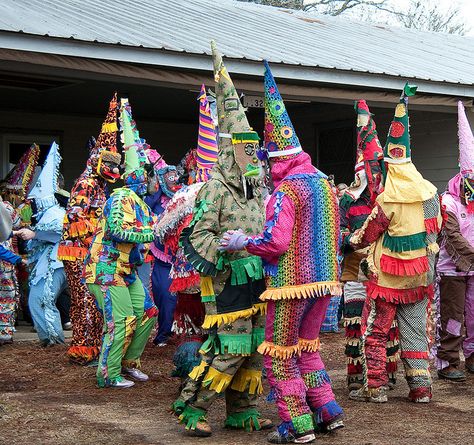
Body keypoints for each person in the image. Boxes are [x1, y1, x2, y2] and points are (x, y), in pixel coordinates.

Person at [220, 60, 344, 444]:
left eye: (268, 160)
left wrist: (242, 242)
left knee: (279, 354)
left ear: (276, 159)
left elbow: (276, 242)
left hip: (291, 286)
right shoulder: (325, 185)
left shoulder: (286, 190)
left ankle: (297, 424)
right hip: (325, 284)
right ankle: (326, 411)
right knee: (307, 349)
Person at [172, 42, 270, 437]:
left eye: (254, 148)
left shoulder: (260, 190)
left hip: (258, 281)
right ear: (229, 151)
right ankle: (192, 408)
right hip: (226, 282)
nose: (253, 156)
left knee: (254, 351)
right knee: (229, 349)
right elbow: (196, 234)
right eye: (244, 149)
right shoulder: (215, 188)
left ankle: (241, 411)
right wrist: (229, 253)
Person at [348, 84, 443, 404]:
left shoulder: (389, 197)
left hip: (388, 278)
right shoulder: (430, 194)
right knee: (415, 332)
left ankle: (375, 388)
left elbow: (369, 232)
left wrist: (350, 241)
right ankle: (421, 389)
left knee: (375, 330)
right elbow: (435, 234)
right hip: (420, 277)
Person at [83, 98, 157, 388]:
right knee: (122, 320)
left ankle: (128, 362)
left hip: (126, 272)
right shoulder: (121, 197)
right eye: (149, 175)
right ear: (140, 178)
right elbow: (117, 231)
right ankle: (108, 374)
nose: (152, 180)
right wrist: (150, 233)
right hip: (105, 269)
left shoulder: (141, 203)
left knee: (147, 312)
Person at [155, 84, 218, 378]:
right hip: (216, 273)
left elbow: (161, 233)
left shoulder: (181, 197)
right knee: (217, 323)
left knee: (192, 325)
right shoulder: (226, 194)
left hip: (188, 274)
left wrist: (178, 250)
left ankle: (190, 377)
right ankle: (215, 373)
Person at [339, 100, 399, 390]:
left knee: (385, 323)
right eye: (370, 168)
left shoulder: (390, 197)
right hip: (355, 270)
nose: (375, 175)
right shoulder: (347, 201)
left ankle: (384, 372)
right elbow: (338, 234)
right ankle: (356, 373)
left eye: (378, 168)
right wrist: (351, 241)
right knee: (355, 321)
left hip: (385, 272)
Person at [58, 94, 121, 365]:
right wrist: (103, 230)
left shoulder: (99, 185)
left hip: (91, 253)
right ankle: (83, 350)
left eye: (115, 164)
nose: (113, 169)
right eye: (109, 164)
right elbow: (74, 220)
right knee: (85, 302)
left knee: (94, 303)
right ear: (97, 161)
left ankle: (93, 347)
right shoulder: (85, 184)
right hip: (79, 253)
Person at [435, 101, 474, 380]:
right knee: (452, 316)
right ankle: (448, 361)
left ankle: (472, 357)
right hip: (453, 270)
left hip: (473, 269)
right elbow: (452, 235)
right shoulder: (447, 201)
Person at [17, 142, 67, 346]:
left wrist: (34, 233)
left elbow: (62, 230)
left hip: (56, 263)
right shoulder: (44, 213)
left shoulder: (55, 212)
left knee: (43, 299)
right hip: (47, 264)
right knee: (37, 300)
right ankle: (47, 339)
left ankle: (53, 340)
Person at [144, 150, 181, 347]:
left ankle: (174, 333)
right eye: (167, 177)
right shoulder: (154, 201)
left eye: (174, 177)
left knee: (175, 299)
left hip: (180, 258)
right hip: (161, 259)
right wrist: (158, 190)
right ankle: (163, 333)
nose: (172, 180)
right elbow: (145, 206)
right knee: (161, 296)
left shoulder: (184, 196)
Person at [0, 202, 24, 344]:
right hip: (5, 261)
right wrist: (17, 259)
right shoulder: (7, 207)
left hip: (6, 257)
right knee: (7, 297)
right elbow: (16, 222)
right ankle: (4, 333)